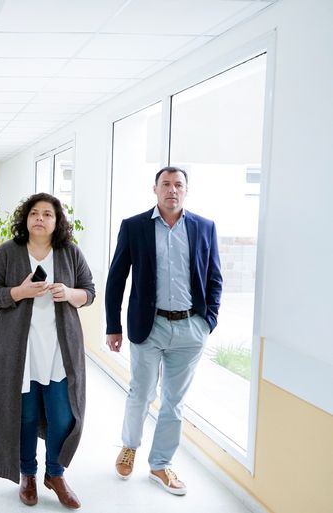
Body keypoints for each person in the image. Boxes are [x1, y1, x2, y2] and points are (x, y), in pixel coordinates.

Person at [105, 166, 222, 496]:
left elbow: (214, 277)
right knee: (141, 392)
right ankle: (129, 445)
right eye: (166, 184)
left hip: (190, 329)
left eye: (178, 185)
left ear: (186, 191)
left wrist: (207, 321)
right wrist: (113, 326)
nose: (172, 190)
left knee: (175, 401)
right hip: (149, 325)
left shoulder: (204, 227)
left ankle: (160, 463)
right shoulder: (134, 227)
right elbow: (116, 279)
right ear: (154, 189)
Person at [0, 193, 95, 510]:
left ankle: (54, 474)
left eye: (48, 214)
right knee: (26, 416)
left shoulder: (69, 253)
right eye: (34, 213)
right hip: (20, 350)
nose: (40, 218)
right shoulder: (9, 252)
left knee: (63, 416)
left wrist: (70, 293)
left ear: (58, 221)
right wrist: (20, 291)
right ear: (25, 219)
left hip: (60, 350)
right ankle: (28, 474)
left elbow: (89, 292)